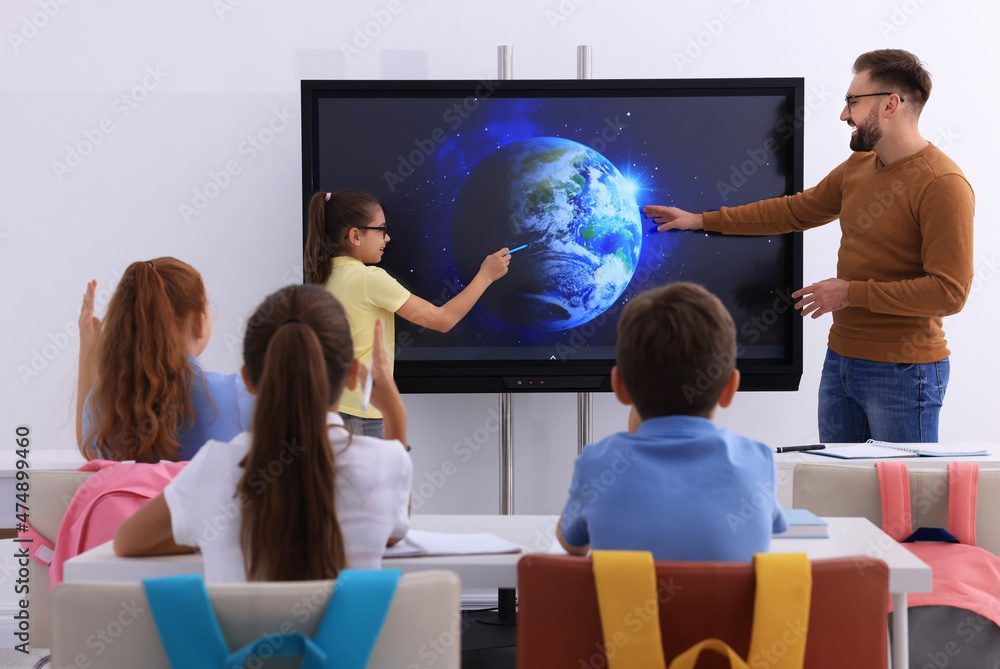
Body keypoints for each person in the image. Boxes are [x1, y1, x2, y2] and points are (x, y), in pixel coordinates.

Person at [643, 50, 974, 443]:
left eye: (853, 102)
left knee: (902, 500)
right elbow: (795, 211)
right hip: (841, 363)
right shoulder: (858, 168)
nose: (843, 115)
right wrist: (700, 220)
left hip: (905, 372)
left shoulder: (942, 184)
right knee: (840, 495)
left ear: (890, 104)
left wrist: (850, 293)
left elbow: (948, 293)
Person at [114, 284, 412, 582]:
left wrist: (212, 534)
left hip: (237, 632)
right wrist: (395, 415)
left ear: (248, 379)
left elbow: (128, 541)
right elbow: (394, 531)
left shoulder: (216, 465)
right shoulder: (385, 463)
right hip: (346, 632)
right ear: (351, 376)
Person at [557, 283, 786, 561]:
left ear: (619, 386)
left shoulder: (597, 464)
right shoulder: (757, 461)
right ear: (730, 388)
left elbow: (573, 545)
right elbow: (773, 530)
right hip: (720, 606)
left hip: (629, 606)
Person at [304, 189, 511, 438]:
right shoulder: (370, 280)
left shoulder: (319, 277)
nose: (388, 238)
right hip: (359, 415)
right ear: (355, 236)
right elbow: (442, 320)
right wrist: (485, 276)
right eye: (380, 229)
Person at [77, 258, 252, 462]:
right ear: (199, 321)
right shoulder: (237, 395)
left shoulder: (103, 405)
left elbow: (91, 450)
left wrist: (88, 351)